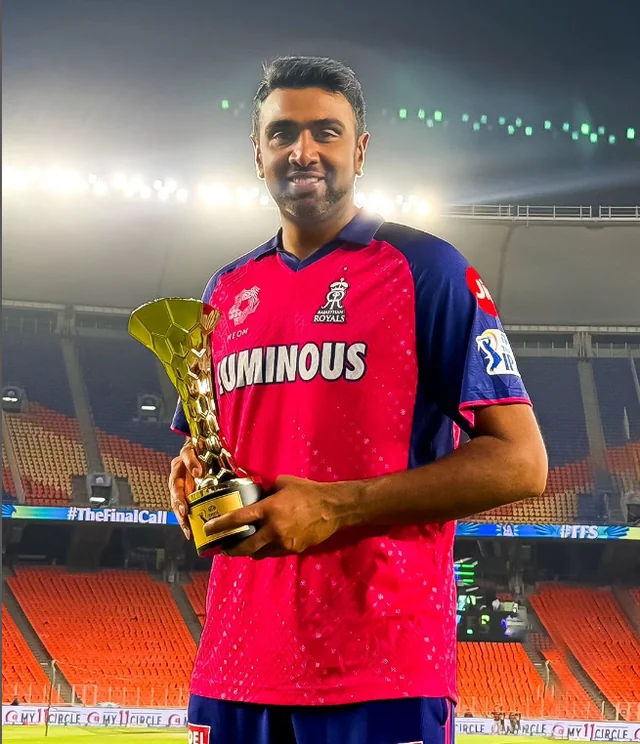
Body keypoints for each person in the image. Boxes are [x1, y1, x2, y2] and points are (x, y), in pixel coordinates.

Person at [169, 55, 548, 744]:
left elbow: (522, 464)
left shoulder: (424, 271)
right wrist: (194, 476)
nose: (302, 150)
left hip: (380, 672)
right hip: (232, 668)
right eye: (282, 132)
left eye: (326, 131)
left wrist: (335, 505)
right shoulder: (223, 294)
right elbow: (217, 452)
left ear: (360, 149)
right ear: (257, 151)